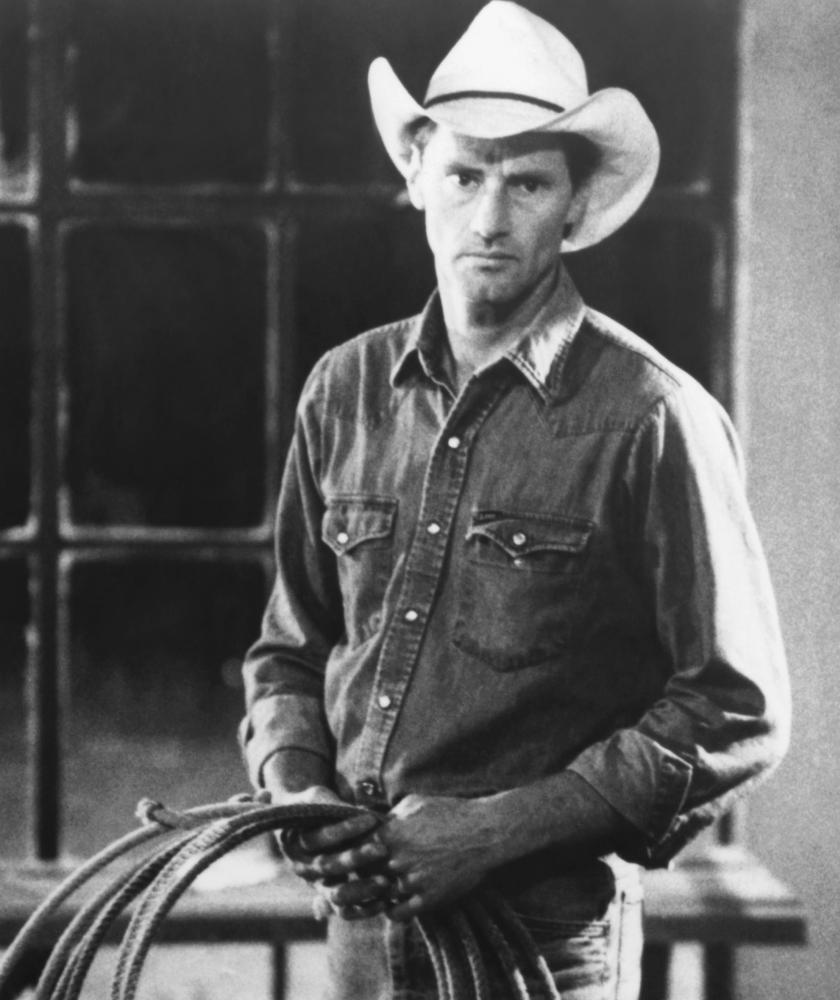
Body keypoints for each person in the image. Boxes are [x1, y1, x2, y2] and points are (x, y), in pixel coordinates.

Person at [240, 3, 791, 998]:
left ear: (573, 205)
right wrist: (299, 791)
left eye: (527, 182)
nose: (490, 219)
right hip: (361, 924)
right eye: (465, 175)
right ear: (417, 175)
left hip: (546, 943)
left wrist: (495, 830)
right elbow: (293, 646)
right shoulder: (344, 390)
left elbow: (735, 706)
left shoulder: (651, 417)